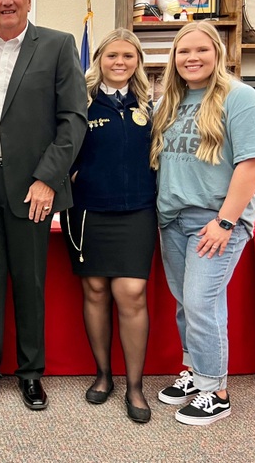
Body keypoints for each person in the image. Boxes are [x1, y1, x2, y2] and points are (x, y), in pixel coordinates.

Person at [0, 0, 87, 411]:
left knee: (29, 281)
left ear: (29, 0)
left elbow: (73, 119)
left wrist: (48, 178)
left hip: (33, 185)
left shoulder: (56, 44)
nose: (7, 1)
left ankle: (31, 373)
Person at [151, 21, 255, 426]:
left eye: (201, 50)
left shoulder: (241, 97)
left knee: (202, 302)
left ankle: (215, 391)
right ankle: (195, 373)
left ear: (217, 52)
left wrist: (225, 221)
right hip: (173, 218)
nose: (192, 58)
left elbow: (252, 163)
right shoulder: (171, 100)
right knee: (187, 302)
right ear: (174, 58)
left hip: (215, 220)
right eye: (184, 51)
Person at [61, 29, 156, 424]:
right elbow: (59, 150)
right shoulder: (79, 103)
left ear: (137, 63)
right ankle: (104, 375)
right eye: (112, 55)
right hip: (87, 212)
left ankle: (135, 386)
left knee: (131, 293)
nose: (120, 62)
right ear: (98, 59)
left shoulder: (154, 106)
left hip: (137, 211)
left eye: (128, 56)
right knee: (96, 289)